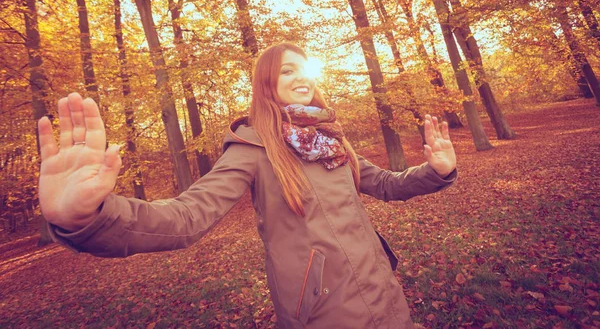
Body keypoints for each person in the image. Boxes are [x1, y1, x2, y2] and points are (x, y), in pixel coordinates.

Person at [38, 42, 457, 328]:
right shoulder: (254, 146)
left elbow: (384, 183)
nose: (300, 76)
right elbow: (187, 217)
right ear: (267, 84)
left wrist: (434, 171)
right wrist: (90, 217)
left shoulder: (332, 137)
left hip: (383, 290)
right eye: (286, 70)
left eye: (304, 68)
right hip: (323, 308)